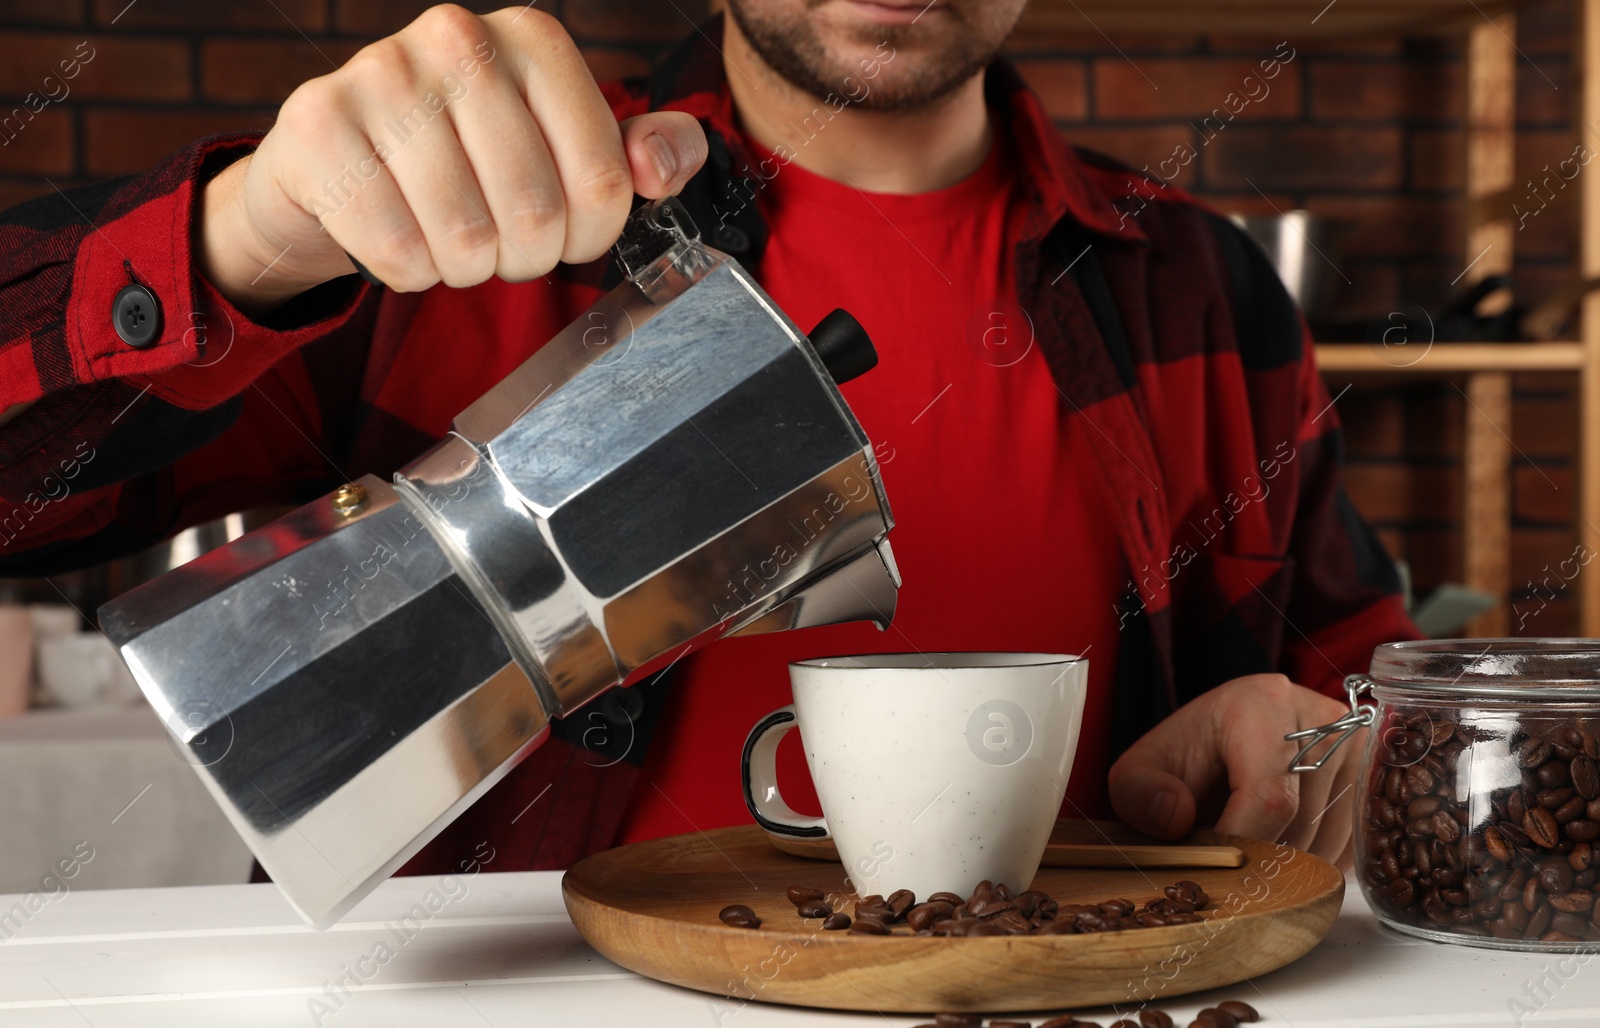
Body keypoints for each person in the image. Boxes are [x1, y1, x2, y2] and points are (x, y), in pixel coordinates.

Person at [0, 0, 1416, 874]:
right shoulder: (458, 215)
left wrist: (1331, 742)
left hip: (1067, 1023)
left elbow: (1369, 701)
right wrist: (240, 237)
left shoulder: (1201, 287)